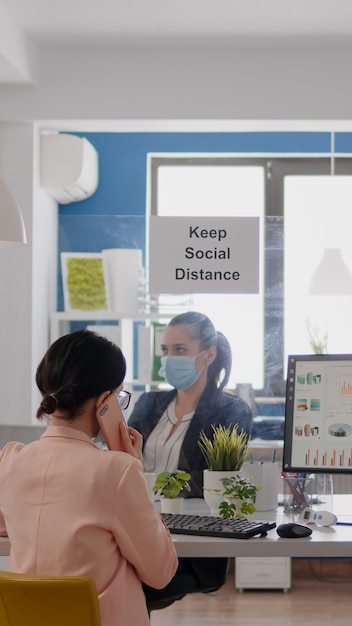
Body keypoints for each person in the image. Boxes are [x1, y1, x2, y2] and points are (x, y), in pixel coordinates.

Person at [0, 330, 178, 626]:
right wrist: (131, 463)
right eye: (119, 397)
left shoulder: (10, 460)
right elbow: (161, 573)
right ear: (104, 402)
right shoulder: (118, 471)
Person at [128, 311, 253, 608]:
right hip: (135, 530)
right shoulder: (149, 403)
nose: (169, 359)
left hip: (185, 544)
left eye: (180, 350)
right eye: (165, 350)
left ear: (209, 355)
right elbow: (120, 463)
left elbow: (211, 485)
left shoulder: (231, 412)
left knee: (121, 584)